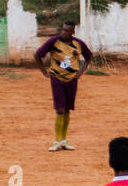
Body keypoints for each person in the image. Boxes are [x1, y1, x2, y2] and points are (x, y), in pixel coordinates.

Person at [35, 21, 93, 152]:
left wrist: (80, 72)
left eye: (67, 30)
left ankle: (64, 141)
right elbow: (37, 55)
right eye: (63, 29)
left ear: (73, 32)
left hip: (72, 80)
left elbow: (89, 56)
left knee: (67, 110)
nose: (64, 32)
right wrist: (44, 72)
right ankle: (56, 141)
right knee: (59, 109)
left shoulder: (78, 43)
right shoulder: (53, 41)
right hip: (57, 79)